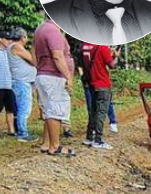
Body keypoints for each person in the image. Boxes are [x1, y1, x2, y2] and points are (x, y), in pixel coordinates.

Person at [34, 18, 75, 156]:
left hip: (44, 75)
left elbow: (35, 54)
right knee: (55, 111)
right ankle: (55, 146)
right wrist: (68, 76)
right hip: (53, 76)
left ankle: (47, 144)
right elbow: (57, 56)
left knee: (49, 110)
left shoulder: (41, 29)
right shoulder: (53, 31)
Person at [82, 44, 118, 149]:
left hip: (92, 83)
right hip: (102, 84)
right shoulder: (103, 47)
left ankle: (89, 137)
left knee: (93, 111)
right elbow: (112, 65)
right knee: (101, 112)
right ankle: (98, 140)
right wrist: (116, 56)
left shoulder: (89, 47)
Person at [8, 28, 38, 142]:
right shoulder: (16, 47)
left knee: (22, 107)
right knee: (24, 108)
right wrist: (34, 49)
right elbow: (33, 60)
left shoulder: (12, 46)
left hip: (21, 81)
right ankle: (22, 133)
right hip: (21, 81)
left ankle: (21, 131)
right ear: (23, 37)